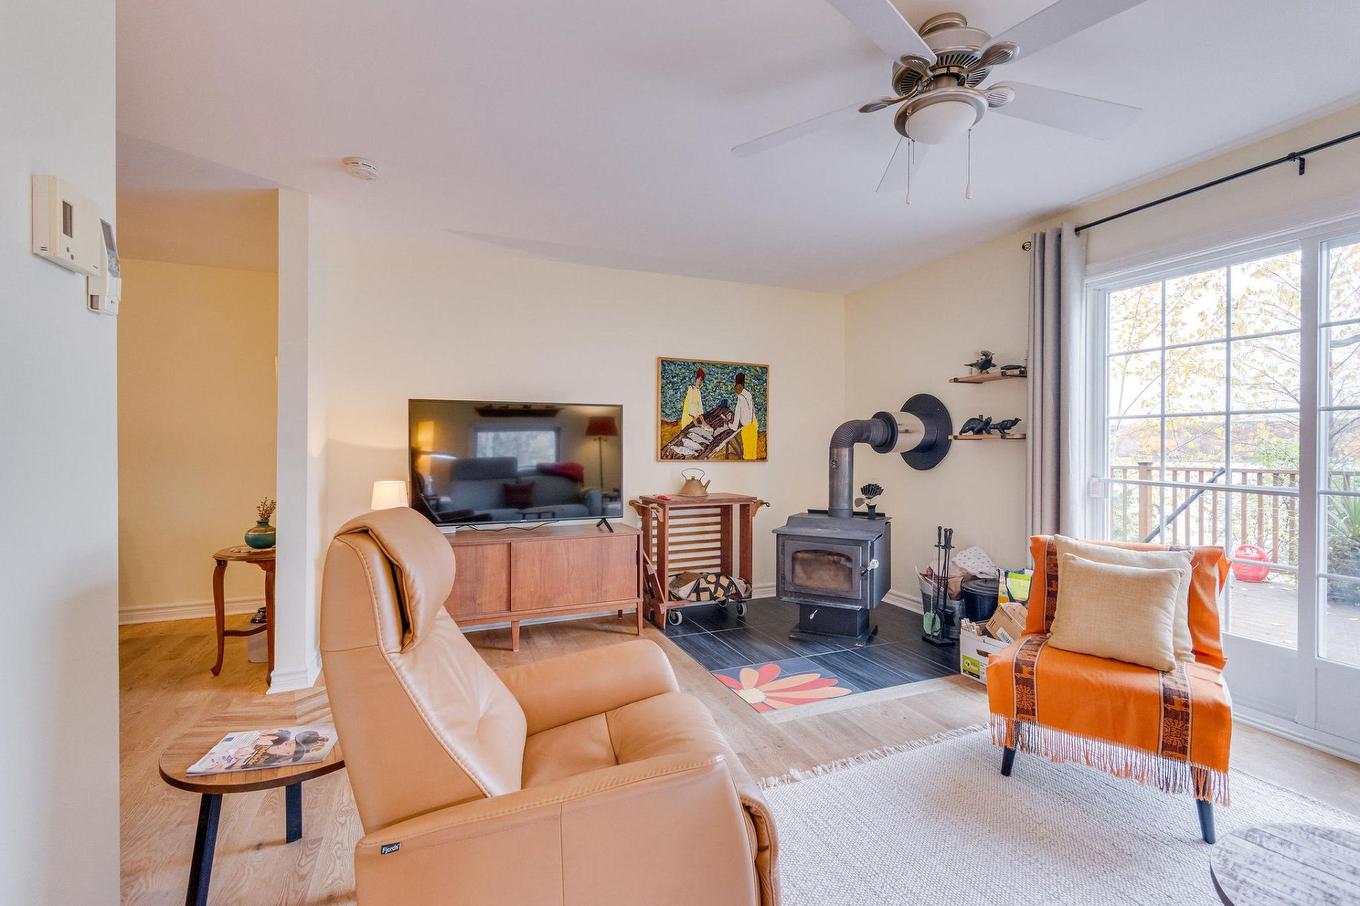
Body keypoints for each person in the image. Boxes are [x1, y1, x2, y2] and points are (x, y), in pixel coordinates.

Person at [728, 372, 757, 460]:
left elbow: (735, 425)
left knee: (747, 454)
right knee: (753, 451)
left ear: (738, 386)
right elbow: (752, 410)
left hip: (747, 428)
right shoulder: (748, 394)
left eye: (737, 387)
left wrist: (728, 423)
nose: (736, 389)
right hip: (754, 424)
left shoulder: (740, 399)